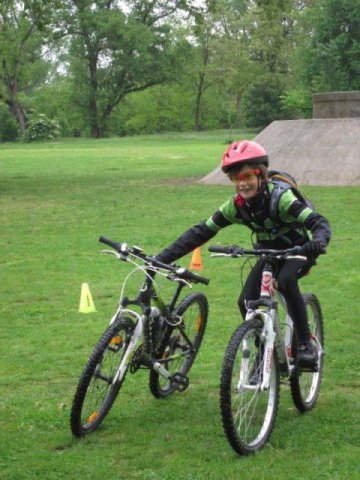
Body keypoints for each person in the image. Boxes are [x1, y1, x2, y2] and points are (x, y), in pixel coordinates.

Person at [156, 140, 331, 368]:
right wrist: (161, 258)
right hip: (269, 254)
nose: (242, 184)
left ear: (261, 175)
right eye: (236, 180)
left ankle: (305, 344)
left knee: (287, 281)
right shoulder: (236, 206)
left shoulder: (282, 198)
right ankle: (263, 354)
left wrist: (318, 241)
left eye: (247, 177)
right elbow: (200, 232)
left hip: (298, 251)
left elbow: (318, 222)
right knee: (246, 302)